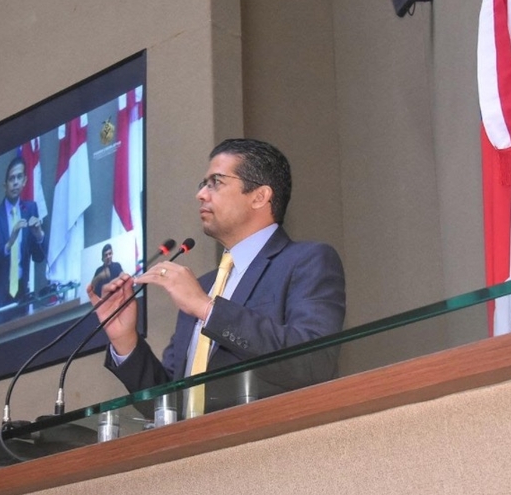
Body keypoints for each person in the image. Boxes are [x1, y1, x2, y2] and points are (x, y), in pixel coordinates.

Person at [87, 138, 346, 415]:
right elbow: (169, 406)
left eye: (216, 182)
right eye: (203, 184)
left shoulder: (306, 261)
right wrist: (125, 340)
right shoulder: (204, 286)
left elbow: (314, 362)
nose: (201, 194)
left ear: (260, 196)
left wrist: (207, 309)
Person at [0, 156, 47, 325]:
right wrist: (8, 245)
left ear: (25, 181)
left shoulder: (30, 209)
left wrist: (39, 235)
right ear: (5, 186)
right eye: (11, 179)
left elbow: (39, 258)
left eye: (19, 178)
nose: (15, 182)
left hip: (21, 298)